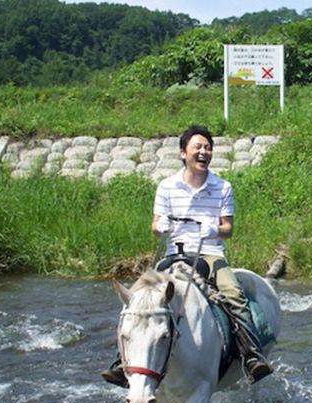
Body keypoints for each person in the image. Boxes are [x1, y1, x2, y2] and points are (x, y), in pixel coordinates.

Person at [102, 125, 273, 387]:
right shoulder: (167, 186)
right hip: (174, 254)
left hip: (210, 254)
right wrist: (160, 227)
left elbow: (228, 229)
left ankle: (251, 355)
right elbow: (155, 224)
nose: (204, 152)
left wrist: (214, 229)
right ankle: (120, 362)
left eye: (208, 148)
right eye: (198, 147)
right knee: (137, 300)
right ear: (183, 153)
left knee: (234, 295)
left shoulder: (222, 187)